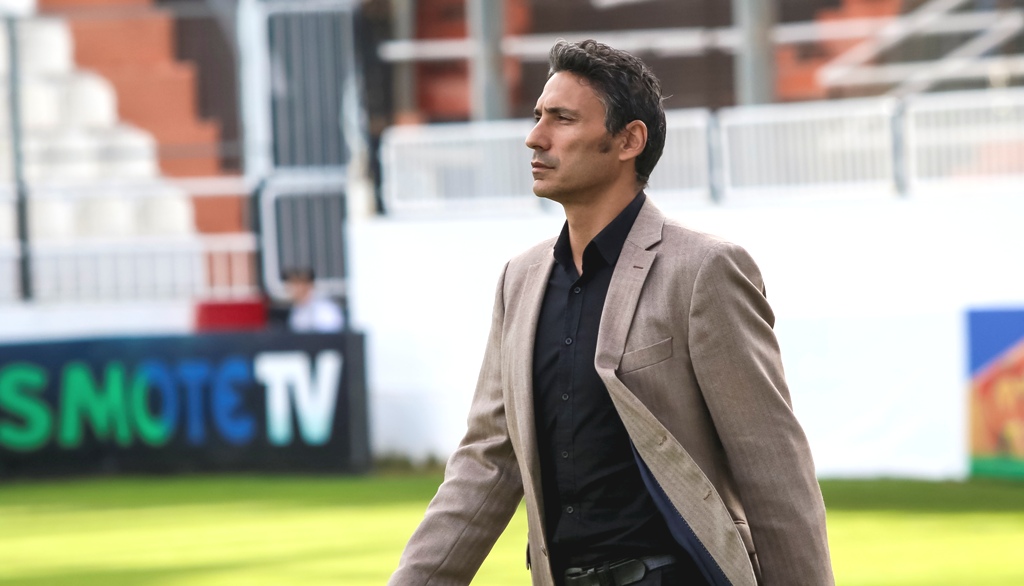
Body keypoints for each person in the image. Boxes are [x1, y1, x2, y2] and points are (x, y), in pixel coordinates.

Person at [390, 40, 833, 586]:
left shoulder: (703, 270)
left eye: (562, 119)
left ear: (629, 140)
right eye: (537, 117)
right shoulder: (518, 281)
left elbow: (772, 465)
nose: (535, 137)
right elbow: (487, 461)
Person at [283, 267, 344, 333]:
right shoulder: (297, 310)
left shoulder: (325, 308)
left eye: (296, 283)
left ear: (308, 284)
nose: (290, 288)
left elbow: (331, 334)